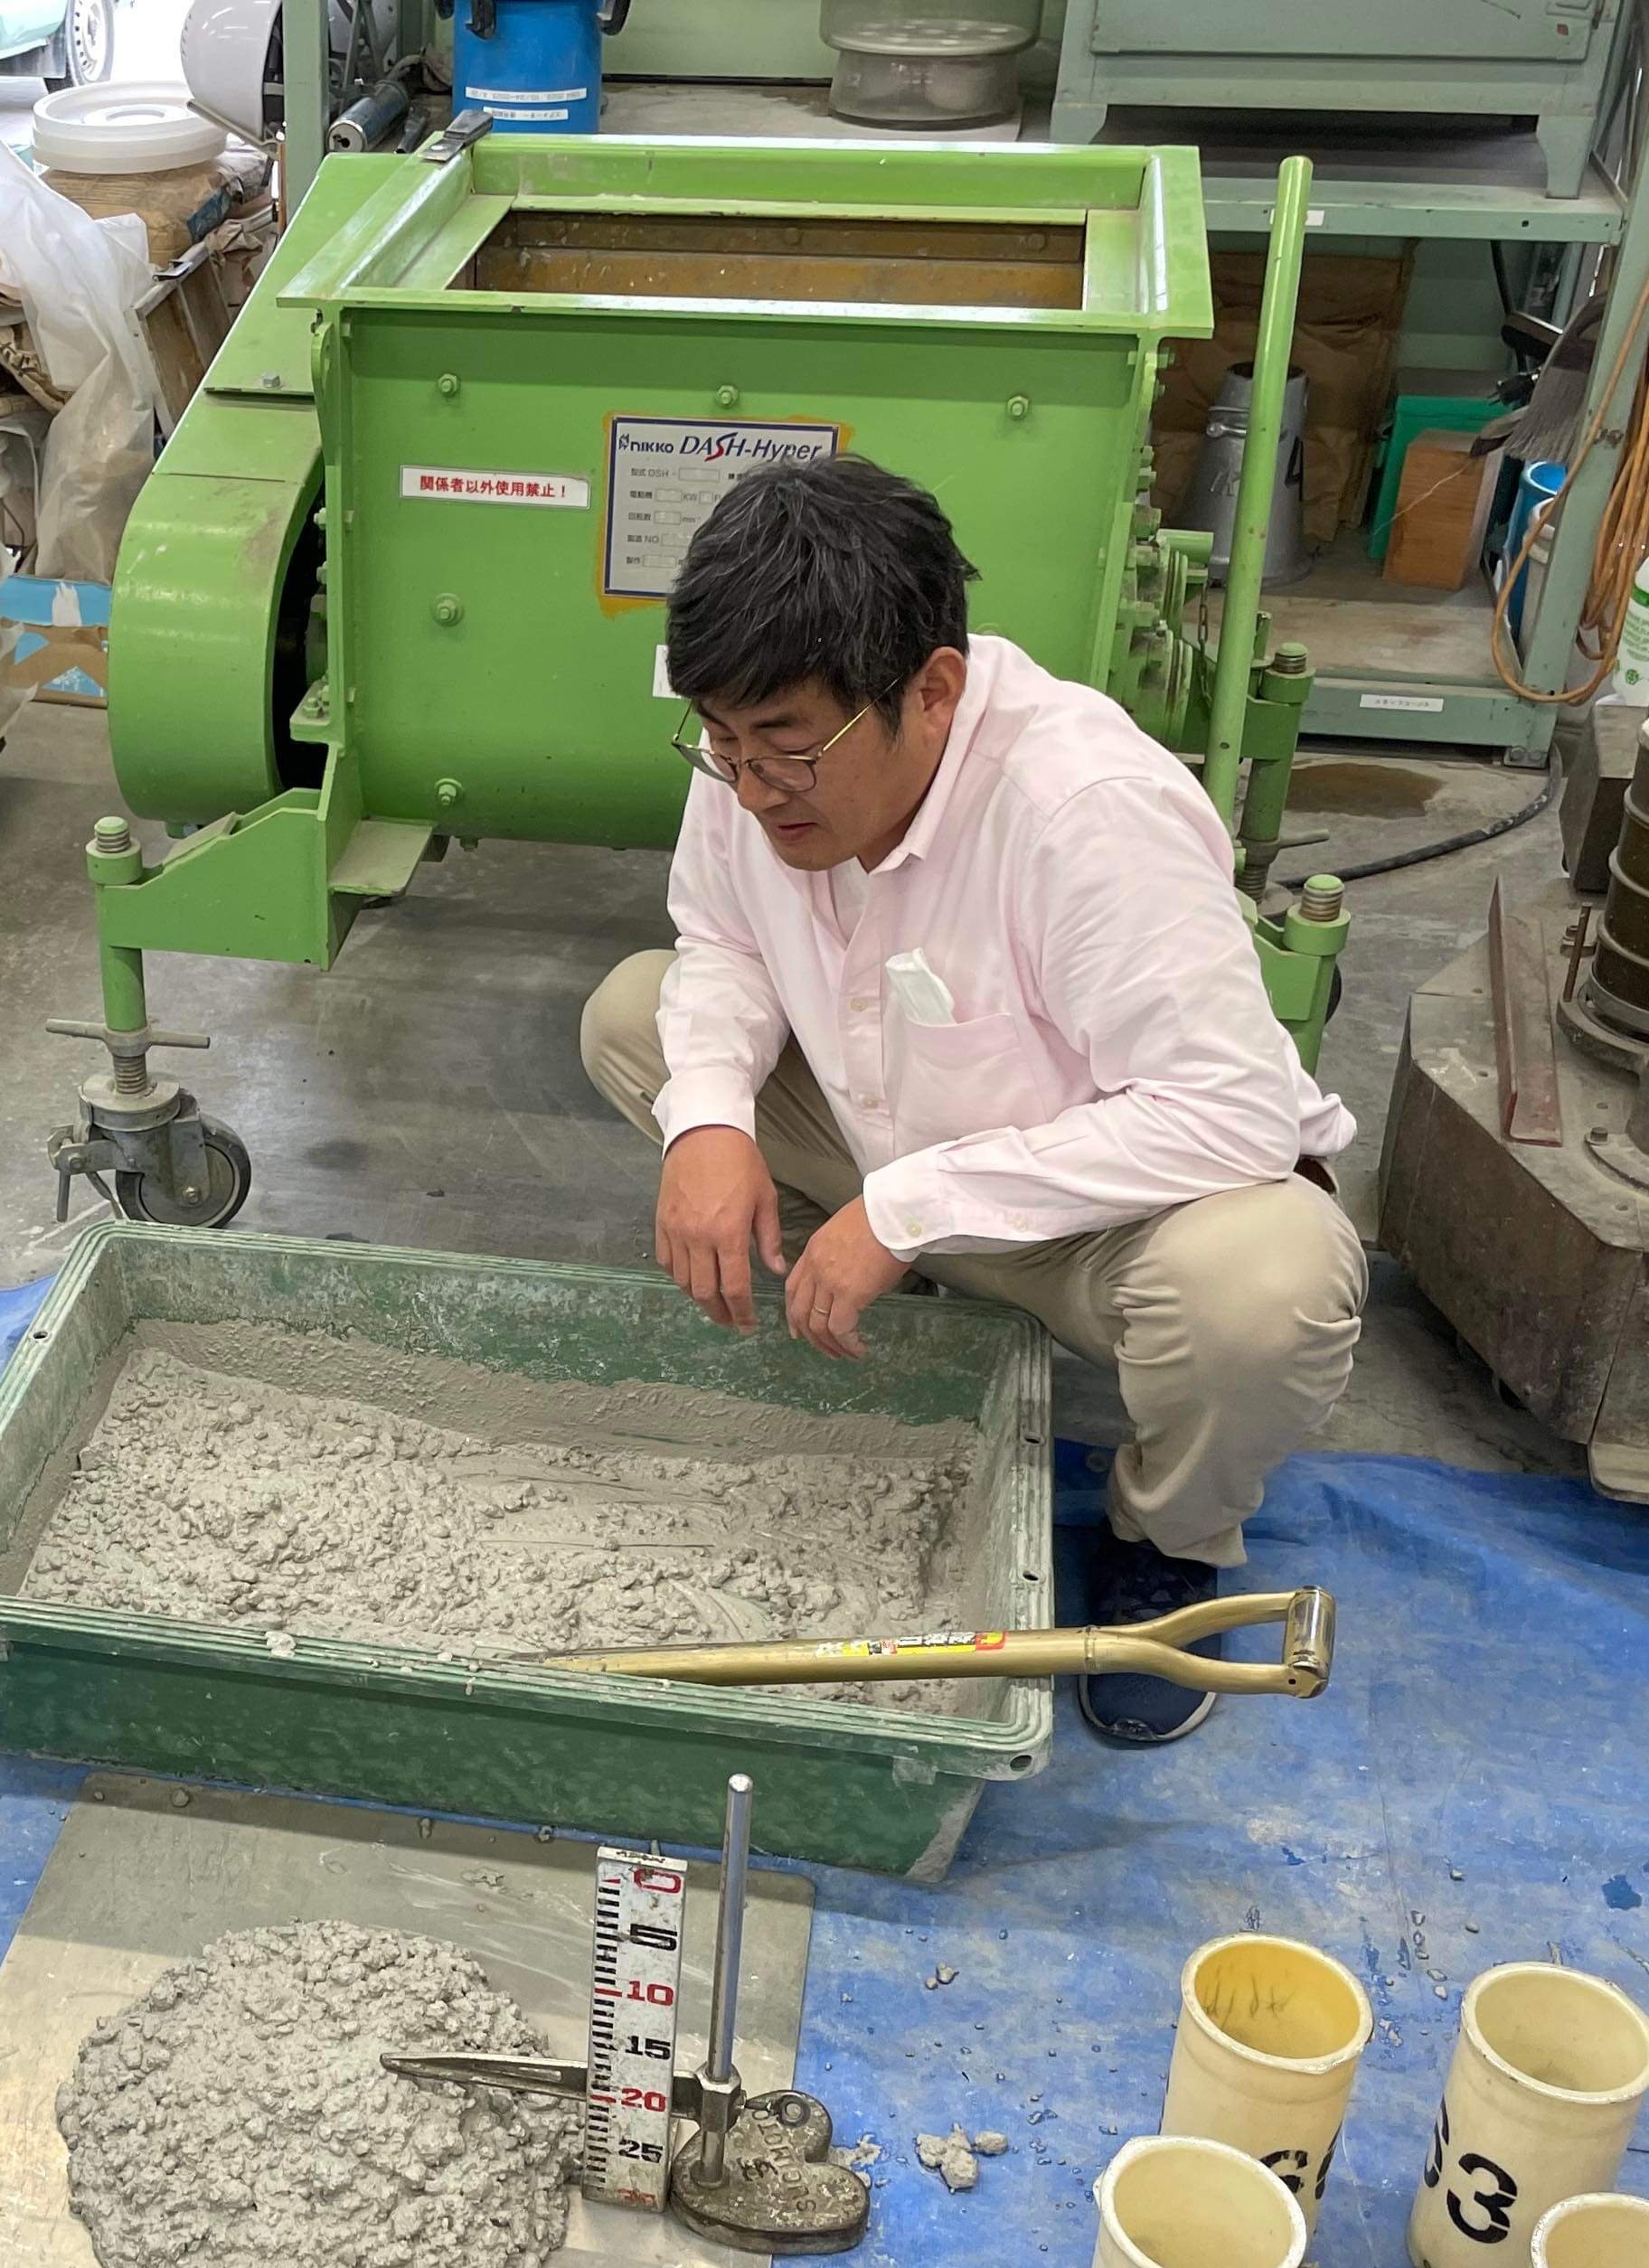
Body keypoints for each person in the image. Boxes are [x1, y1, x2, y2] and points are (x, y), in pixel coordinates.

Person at [581, 456, 1362, 1748]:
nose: (753, 787)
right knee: (635, 1018)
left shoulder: (1082, 810)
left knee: (1262, 1290)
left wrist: (907, 1206)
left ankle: (1163, 1537)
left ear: (933, 689)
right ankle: (873, 1315)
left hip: (1093, 1224)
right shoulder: (755, 765)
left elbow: (1228, 1112)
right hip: (888, 1145)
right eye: (722, 743)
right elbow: (715, 937)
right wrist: (712, 1118)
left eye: (785, 747)